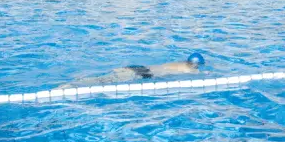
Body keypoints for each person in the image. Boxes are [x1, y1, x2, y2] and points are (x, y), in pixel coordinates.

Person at [57, 53, 205, 89]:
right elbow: (199, 75)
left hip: (136, 67)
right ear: (196, 65)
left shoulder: (178, 63)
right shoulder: (190, 70)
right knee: (101, 81)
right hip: (141, 74)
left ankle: (72, 82)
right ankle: (69, 86)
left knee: (103, 78)